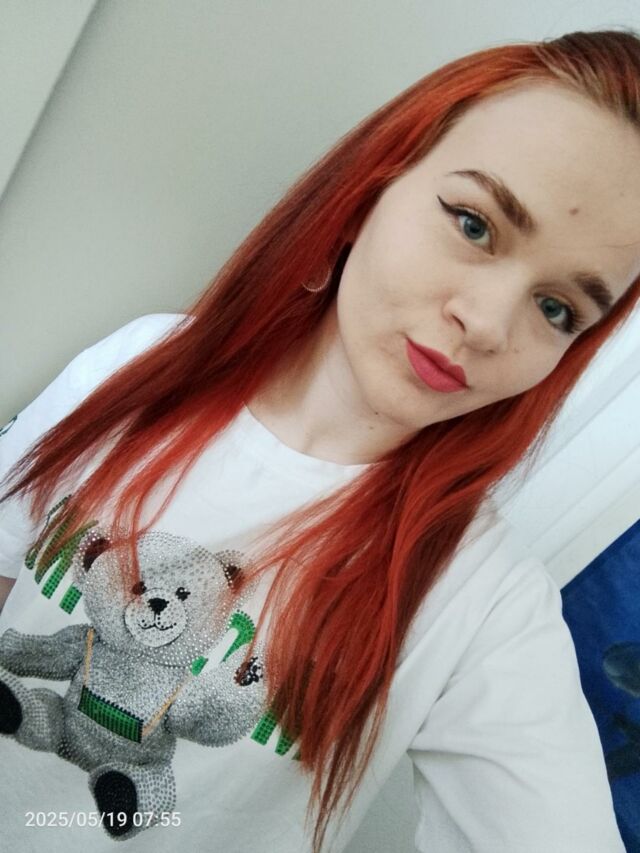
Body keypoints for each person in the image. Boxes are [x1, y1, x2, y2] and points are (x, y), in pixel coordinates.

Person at [0, 27, 638, 853]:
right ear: (370, 188)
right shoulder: (139, 365)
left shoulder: (480, 602)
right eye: (475, 224)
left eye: (558, 309)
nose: (486, 324)